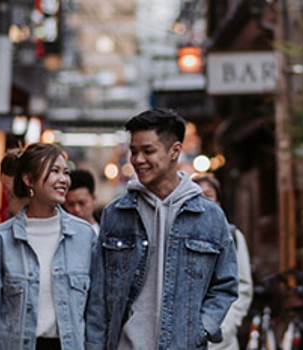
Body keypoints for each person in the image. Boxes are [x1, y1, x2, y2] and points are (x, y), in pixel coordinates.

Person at [86, 109, 238, 350]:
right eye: (133, 151)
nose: (137, 160)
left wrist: (201, 329)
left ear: (174, 151)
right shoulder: (116, 214)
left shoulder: (209, 217)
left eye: (148, 151)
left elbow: (226, 285)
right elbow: (99, 294)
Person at [0, 143, 96, 350]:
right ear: (28, 179)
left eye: (66, 172)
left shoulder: (84, 236)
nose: (63, 180)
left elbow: (96, 312)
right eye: (54, 171)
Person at [191, 175, 253, 350]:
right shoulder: (177, 238)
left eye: (208, 195)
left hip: (222, 339)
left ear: (218, 203)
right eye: (196, 196)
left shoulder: (231, 235)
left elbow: (243, 285)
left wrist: (229, 323)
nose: (202, 201)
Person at [63, 169, 102, 235]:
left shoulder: (108, 230)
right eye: (71, 204)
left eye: (82, 203)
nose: (76, 209)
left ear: (94, 199)